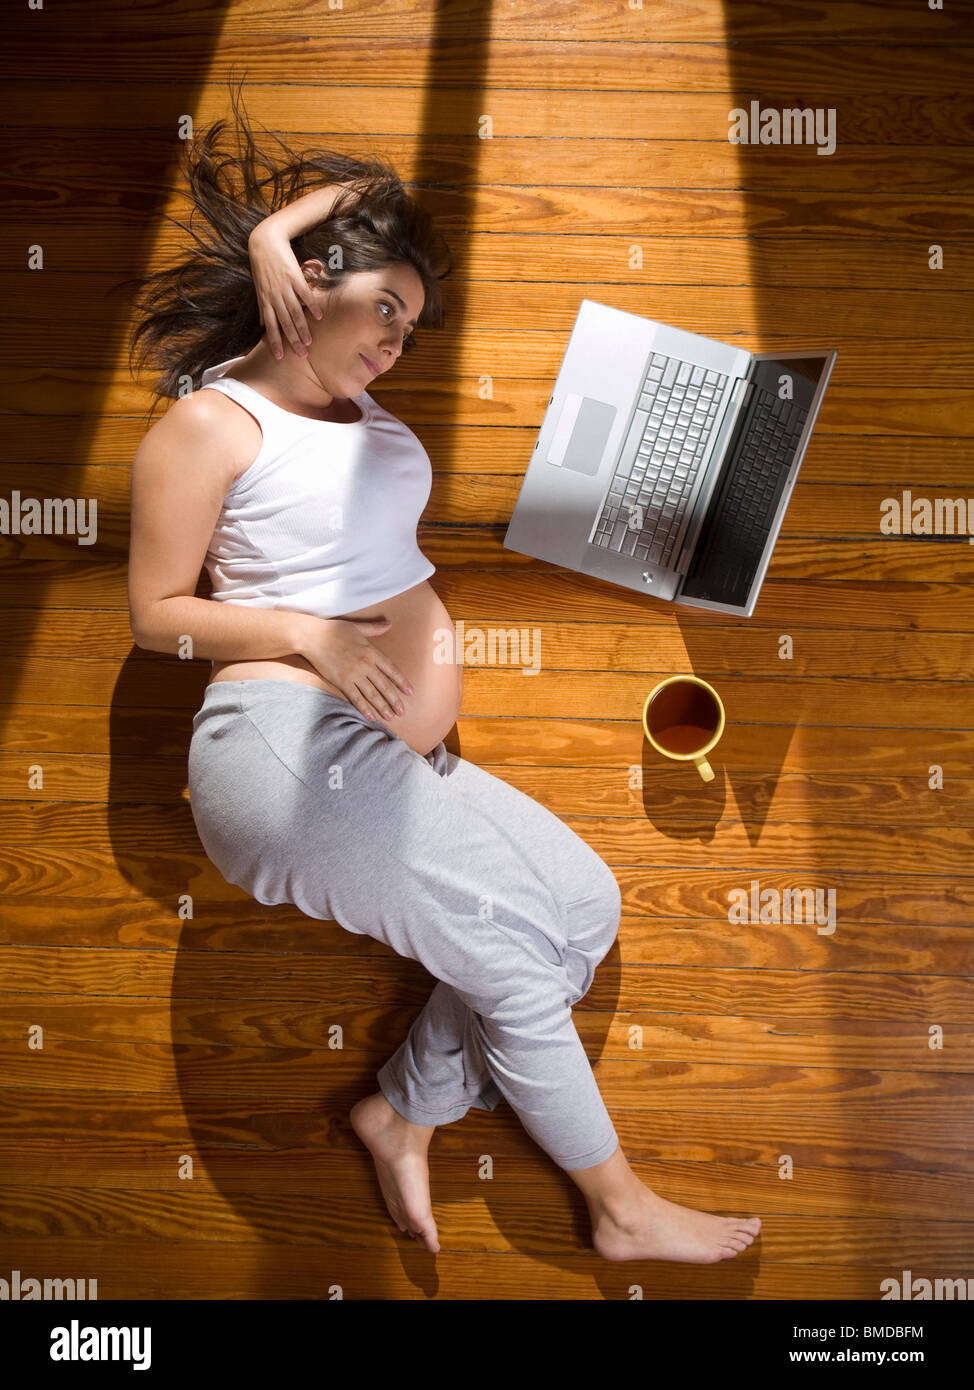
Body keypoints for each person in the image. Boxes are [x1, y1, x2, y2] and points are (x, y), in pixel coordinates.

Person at [126, 88, 761, 1264]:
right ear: (307, 285)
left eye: (410, 326)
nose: (393, 340)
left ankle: (401, 1109)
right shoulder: (210, 425)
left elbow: (372, 206)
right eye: (382, 308)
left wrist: (286, 240)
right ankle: (617, 1207)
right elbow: (155, 614)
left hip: (375, 751)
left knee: (584, 909)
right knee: (521, 968)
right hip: (283, 748)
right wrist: (309, 635)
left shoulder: (358, 412)